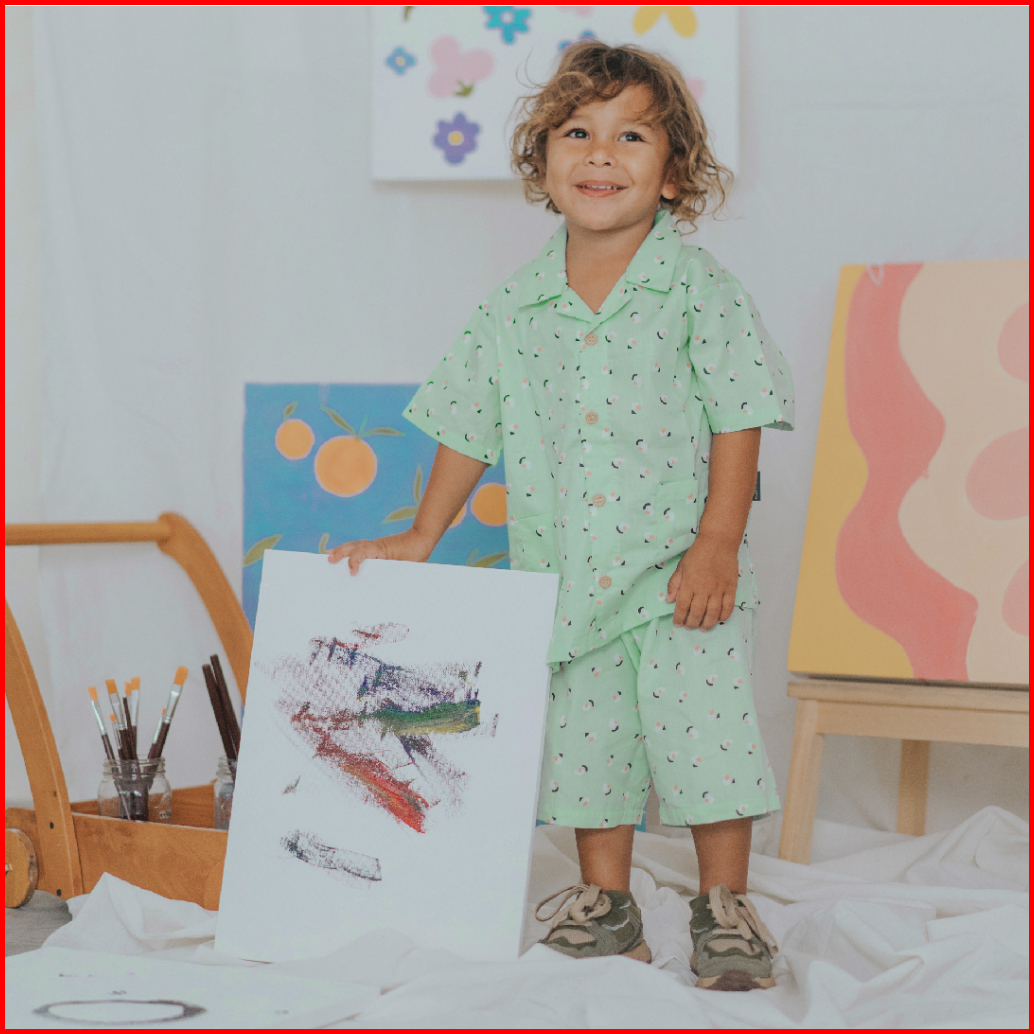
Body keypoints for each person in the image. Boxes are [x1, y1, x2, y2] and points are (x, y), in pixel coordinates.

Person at [330, 40, 793, 992]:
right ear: (542, 164)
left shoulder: (700, 291)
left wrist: (717, 544)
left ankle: (725, 906)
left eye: (632, 136)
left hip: (680, 577)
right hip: (569, 580)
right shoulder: (513, 308)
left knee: (706, 741)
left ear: (674, 175)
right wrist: (423, 535)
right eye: (577, 133)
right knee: (589, 752)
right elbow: (468, 424)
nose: (601, 153)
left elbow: (740, 415)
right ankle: (606, 905)